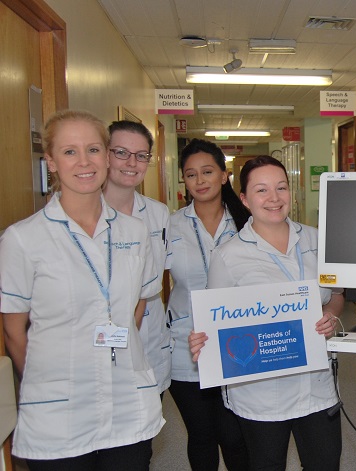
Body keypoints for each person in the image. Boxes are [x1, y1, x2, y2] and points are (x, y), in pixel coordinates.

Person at [0, 109, 164, 470]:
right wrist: (51, 382)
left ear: (107, 157)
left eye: (93, 149)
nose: (84, 162)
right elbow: (14, 331)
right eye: (69, 152)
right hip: (58, 410)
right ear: (52, 162)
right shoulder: (23, 239)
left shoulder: (134, 232)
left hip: (125, 399)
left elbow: (137, 303)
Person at [189, 155, 345, 471]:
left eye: (281, 188)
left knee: (325, 463)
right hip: (260, 393)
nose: (274, 199)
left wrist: (330, 316)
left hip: (316, 381)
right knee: (266, 464)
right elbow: (213, 321)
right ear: (245, 199)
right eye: (261, 190)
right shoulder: (229, 255)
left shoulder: (318, 240)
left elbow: (337, 296)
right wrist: (202, 344)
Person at [167, 138, 250, 470]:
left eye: (207, 172)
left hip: (239, 344)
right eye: (190, 175)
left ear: (224, 175)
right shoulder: (170, 225)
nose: (199, 181)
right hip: (185, 346)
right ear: (183, 181)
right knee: (201, 436)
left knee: (234, 436)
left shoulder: (248, 223)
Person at [103, 120, 172, 396]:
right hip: (100, 340)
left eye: (141, 155)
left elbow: (160, 276)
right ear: (104, 154)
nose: (132, 162)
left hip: (149, 337)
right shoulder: (83, 213)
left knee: (146, 432)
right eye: (121, 152)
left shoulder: (158, 214)